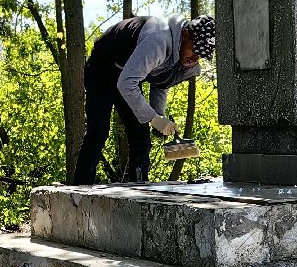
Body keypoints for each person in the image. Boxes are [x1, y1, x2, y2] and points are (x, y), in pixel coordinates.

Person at [73, 14, 216, 185]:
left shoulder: (178, 53)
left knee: (140, 137)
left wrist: (159, 117)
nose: (195, 58)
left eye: (200, 55)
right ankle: (79, 189)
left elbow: (160, 83)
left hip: (127, 74)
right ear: (186, 34)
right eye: (195, 50)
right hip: (102, 67)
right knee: (98, 133)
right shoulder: (158, 41)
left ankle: (139, 190)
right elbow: (126, 83)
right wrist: (153, 118)